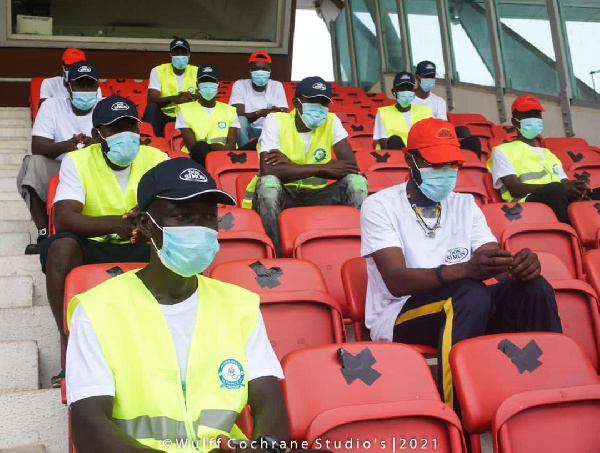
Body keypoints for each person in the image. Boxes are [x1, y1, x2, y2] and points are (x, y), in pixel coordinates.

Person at [66, 157, 290, 453]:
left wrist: (266, 448)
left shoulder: (239, 305)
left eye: (209, 218)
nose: (200, 229)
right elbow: (88, 427)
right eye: (183, 217)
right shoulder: (97, 310)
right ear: (146, 224)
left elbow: (269, 403)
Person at [361, 117, 562, 411]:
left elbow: (492, 260)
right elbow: (396, 280)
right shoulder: (380, 205)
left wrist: (519, 267)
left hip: (466, 305)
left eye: (451, 165)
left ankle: (551, 394)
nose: (445, 173)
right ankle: (459, 411)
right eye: (435, 164)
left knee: (534, 288)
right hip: (398, 313)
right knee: (468, 292)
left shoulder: (465, 204)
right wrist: (466, 270)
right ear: (410, 160)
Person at [42, 95, 167, 356]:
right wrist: (113, 224)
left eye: (130, 126)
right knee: (60, 247)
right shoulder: (77, 161)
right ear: (97, 134)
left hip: (143, 244)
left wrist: (148, 223)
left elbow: (174, 210)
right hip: (94, 246)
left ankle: (170, 340)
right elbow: (64, 217)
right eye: (114, 128)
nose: (125, 134)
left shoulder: (157, 158)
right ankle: (68, 344)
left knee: (177, 241)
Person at [242, 76, 367, 257]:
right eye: (313, 100)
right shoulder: (276, 120)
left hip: (316, 195)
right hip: (283, 194)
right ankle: (277, 256)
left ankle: (358, 251)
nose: (319, 107)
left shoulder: (331, 121)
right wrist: (322, 168)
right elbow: (270, 169)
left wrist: (292, 166)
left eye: (324, 102)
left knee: (356, 182)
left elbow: (351, 167)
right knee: (268, 183)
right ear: (296, 102)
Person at [17, 61, 101, 255]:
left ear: (97, 86)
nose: (86, 90)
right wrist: (66, 145)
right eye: (80, 85)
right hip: (59, 166)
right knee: (33, 163)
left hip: (95, 168)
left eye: (90, 85)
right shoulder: (52, 106)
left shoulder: (105, 106)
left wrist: (94, 145)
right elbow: (37, 146)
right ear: (68, 86)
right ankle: (44, 233)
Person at [487, 94, 598, 223]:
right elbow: (514, 189)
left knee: (592, 192)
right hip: (526, 203)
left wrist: (577, 187)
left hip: (557, 195)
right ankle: (568, 233)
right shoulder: (502, 151)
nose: (534, 119)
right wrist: (556, 187)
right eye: (527, 115)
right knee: (556, 189)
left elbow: (564, 183)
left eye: (537, 115)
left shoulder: (549, 154)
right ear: (514, 121)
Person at [176, 63, 240, 166]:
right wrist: (213, 147)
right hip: (196, 159)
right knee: (201, 146)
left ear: (218, 84)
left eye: (212, 81)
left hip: (225, 157)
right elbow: (192, 147)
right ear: (197, 85)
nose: (208, 84)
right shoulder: (184, 110)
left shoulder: (230, 110)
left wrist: (218, 149)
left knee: (256, 144)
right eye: (204, 81)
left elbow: (231, 146)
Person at [229, 51, 288, 149]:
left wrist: (273, 113)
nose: (260, 72)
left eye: (264, 69)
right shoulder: (240, 85)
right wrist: (260, 113)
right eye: (256, 69)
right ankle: (244, 151)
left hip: (270, 128)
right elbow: (238, 115)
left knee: (282, 122)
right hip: (249, 129)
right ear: (250, 70)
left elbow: (282, 113)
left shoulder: (277, 86)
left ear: (270, 70)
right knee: (240, 120)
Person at [143, 38, 198, 137]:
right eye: (176, 53)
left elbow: (203, 96)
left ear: (189, 54)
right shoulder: (158, 71)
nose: (180, 56)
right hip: (165, 115)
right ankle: (155, 141)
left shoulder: (197, 71)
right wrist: (173, 99)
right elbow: (151, 100)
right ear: (170, 55)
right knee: (151, 108)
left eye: (183, 52)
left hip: (188, 115)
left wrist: (191, 97)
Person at [373, 71, 432, 150]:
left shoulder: (426, 112)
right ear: (394, 92)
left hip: (420, 155)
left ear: (413, 91)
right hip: (396, 156)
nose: (406, 91)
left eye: (409, 88)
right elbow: (384, 145)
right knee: (394, 140)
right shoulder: (383, 113)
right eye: (402, 88)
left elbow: (431, 140)